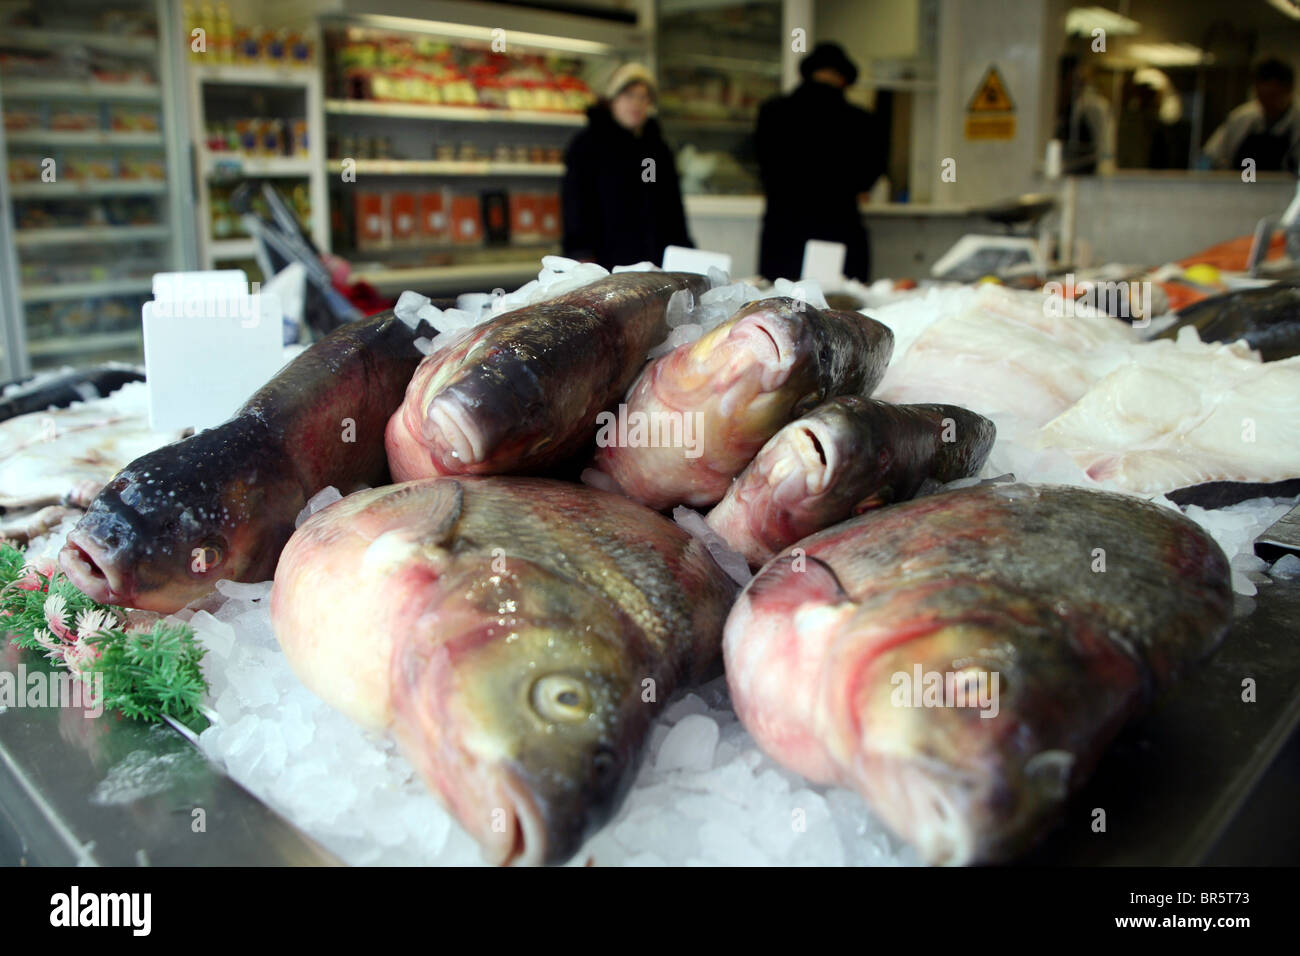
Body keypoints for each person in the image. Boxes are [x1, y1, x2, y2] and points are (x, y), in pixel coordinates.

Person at [754, 43, 885, 282]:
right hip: (838, 231)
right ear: (844, 79)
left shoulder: (773, 113)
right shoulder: (860, 121)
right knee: (836, 309)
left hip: (783, 233)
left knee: (779, 307)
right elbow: (870, 174)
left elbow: (760, 163)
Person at [561, 63, 693, 269]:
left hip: (653, 263)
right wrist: (581, 253)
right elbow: (575, 205)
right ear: (613, 98)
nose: (636, 104)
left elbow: (670, 207)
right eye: (629, 95)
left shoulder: (656, 148)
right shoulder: (588, 146)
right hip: (603, 262)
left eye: (643, 97)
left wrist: (685, 251)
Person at [1204, 57, 1300, 174]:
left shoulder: (1296, 119)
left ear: (1288, 90)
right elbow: (1212, 155)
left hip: (1287, 189)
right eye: (1262, 97)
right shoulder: (1241, 117)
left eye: (1273, 96)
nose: (1267, 104)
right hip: (1241, 187)